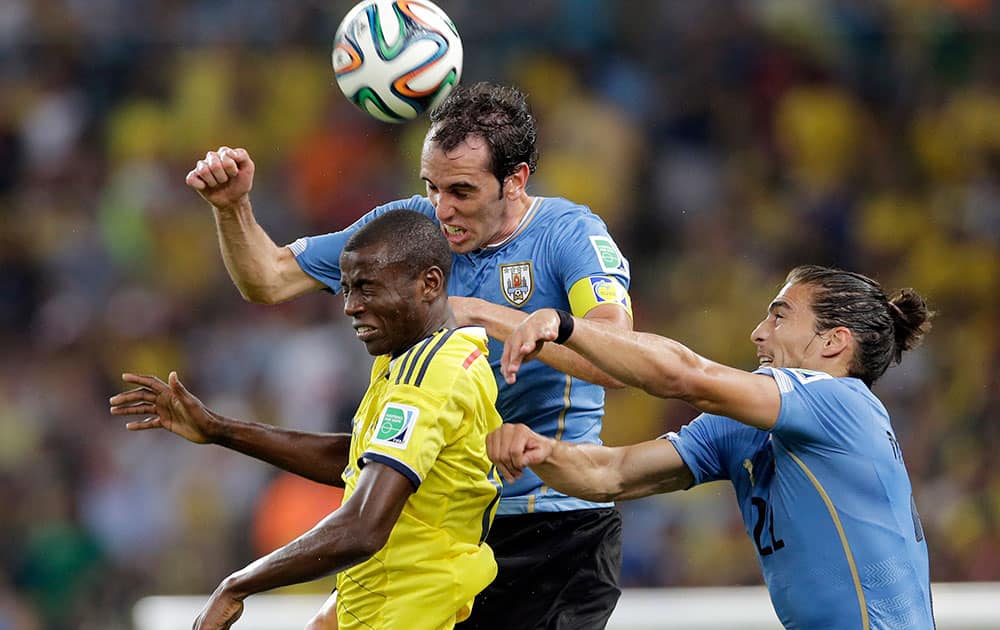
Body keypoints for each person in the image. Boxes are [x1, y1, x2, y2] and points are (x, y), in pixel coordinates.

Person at [185, 82, 633, 629]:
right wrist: (233, 209)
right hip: (438, 527)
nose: (442, 209)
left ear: (515, 181)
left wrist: (485, 316)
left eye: (462, 191)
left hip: (555, 527)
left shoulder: (569, 236)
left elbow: (619, 358)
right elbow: (270, 280)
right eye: (432, 187)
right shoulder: (411, 231)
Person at [110, 210, 504, 630]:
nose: (352, 306)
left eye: (367, 288)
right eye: (348, 289)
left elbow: (364, 525)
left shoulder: (430, 377)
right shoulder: (411, 359)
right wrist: (220, 430)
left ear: (429, 284)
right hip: (380, 606)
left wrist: (238, 585)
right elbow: (360, 462)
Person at [490, 265, 936, 629]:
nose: (758, 333)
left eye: (779, 316)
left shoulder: (841, 403)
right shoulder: (742, 429)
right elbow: (613, 473)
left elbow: (686, 377)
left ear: (833, 341)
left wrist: (568, 326)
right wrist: (540, 451)